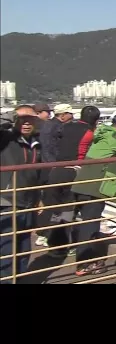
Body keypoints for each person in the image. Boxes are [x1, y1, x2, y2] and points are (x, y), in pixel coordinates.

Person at [70, 113, 116, 276]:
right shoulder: (113, 138)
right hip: (93, 188)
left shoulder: (104, 135)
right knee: (90, 225)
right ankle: (84, 263)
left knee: (87, 223)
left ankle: (86, 259)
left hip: (86, 186)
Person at [40, 106, 101, 257]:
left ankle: (53, 244)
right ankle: (60, 247)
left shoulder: (65, 127)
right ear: (96, 120)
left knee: (57, 210)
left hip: (57, 170)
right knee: (67, 211)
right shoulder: (91, 133)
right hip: (73, 172)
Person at [0, 113, 42, 284]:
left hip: (28, 200)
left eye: (30, 121)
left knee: (24, 246)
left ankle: (21, 279)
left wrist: (38, 198)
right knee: (8, 247)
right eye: (22, 121)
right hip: (8, 200)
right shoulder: (6, 139)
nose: (26, 124)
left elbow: (38, 173)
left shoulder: (36, 143)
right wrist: (11, 117)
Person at [35, 103, 75, 246]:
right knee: (60, 203)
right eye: (70, 114)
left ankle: (44, 233)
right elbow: (52, 149)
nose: (72, 116)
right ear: (63, 115)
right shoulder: (59, 128)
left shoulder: (47, 125)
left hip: (47, 168)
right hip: (56, 168)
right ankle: (50, 235)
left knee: (49, 202)